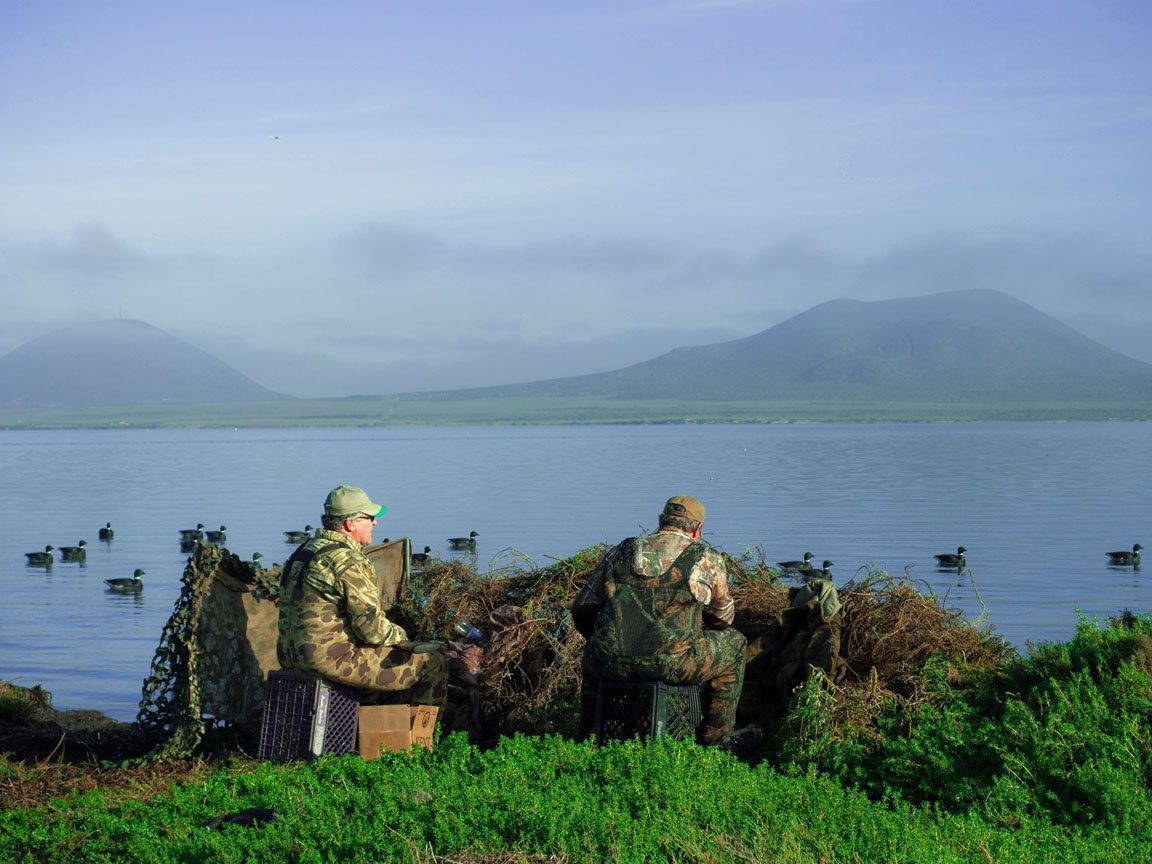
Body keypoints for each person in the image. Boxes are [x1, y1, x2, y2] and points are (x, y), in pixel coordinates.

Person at [570, 495, 747, 746]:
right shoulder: (707, 558)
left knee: (593, 650)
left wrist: (605, 642)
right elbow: (722, 620)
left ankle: (587, 736)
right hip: (673, 665)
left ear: (660, 521)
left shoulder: (622, 550)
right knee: (736, 643)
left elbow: (582, 607)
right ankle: (715, 738)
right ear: (697, 529)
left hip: (610, 663)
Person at [277, 485, 446, 708]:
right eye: (369, 517)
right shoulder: (347, 561)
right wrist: (402, 636)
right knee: (433, 663)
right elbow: (373, 631)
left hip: (291, 658)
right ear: (350, 524)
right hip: (329, 661)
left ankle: (364, 734)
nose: (375, 522)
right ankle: (422, 740)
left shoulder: (304, 551)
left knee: (375, 662)